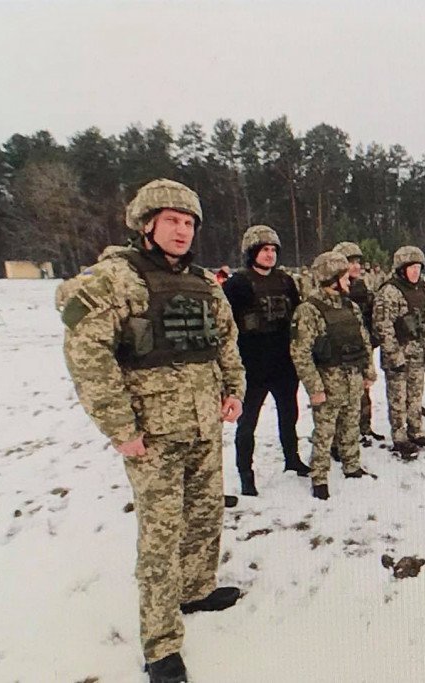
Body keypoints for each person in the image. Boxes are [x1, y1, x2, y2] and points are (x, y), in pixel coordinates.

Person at [61, 179, 245, 682]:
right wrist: (121, 426)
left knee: (206, 516)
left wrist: (234, 391)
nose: (182, 231)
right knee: (161, 538)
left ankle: (197, 589)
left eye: (189, 223)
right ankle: (161, 644)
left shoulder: (205, 283)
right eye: (172, 221)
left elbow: (226, 342)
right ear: (147, 226)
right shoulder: (113, 279)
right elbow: (86, 355)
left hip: (205, 426)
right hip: (153, 435)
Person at [223, 225, 308, 497]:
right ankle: (246, 475)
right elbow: (225, 325)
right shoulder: (236, 284)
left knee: (289, 415)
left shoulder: (285, 281)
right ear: (252, 253)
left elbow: (298, 317)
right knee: (247, 424)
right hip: (251, 367)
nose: (270, 255)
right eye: (264, 250)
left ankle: (292, 458)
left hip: (283, 364)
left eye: (273, 250)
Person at [290, 251, 378, 499]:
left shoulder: (350, 306)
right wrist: (314, 388)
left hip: (352, 377)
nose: (349, 280)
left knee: (351, 425)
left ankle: (351, 465)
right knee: (324, 432)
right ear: (331, 278)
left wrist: (368, 371)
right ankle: (319, 477)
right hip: (328, 382)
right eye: (343, 276)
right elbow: (301, 353)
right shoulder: (309, 310)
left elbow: (364, 340)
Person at [373, 245, 425, 457]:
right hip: (399, 355)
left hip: (418, 354)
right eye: (411, 267)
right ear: (401, 269)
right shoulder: (389, 292)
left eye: (418, 267)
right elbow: (383, 326)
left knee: (415, 396)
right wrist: (394, 355)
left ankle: (416, 430)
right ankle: (400, 436)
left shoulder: (423, 290)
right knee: (398, 398)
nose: (415, 271)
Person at [334, 241, 386, 443]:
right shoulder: (332, 290)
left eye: (358, 262)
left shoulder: (362, 287)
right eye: (350, 262)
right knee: (341, 396)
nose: (356, 266)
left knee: (364, 389)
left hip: (362, 348)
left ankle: (364, 426)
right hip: (340, 352)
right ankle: (340, 438)